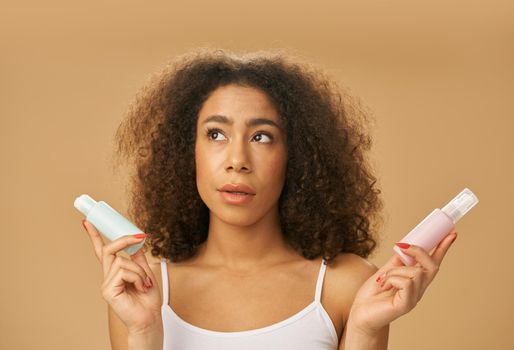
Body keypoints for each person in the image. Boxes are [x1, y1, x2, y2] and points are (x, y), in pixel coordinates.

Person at [81, 48, 458, 350]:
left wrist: (362, 330)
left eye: (261, 137)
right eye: (216, 134)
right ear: (186, 152)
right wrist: (145, 333)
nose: (237, 161)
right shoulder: (144, 293)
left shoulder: (346, 286)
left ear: (297, 155)